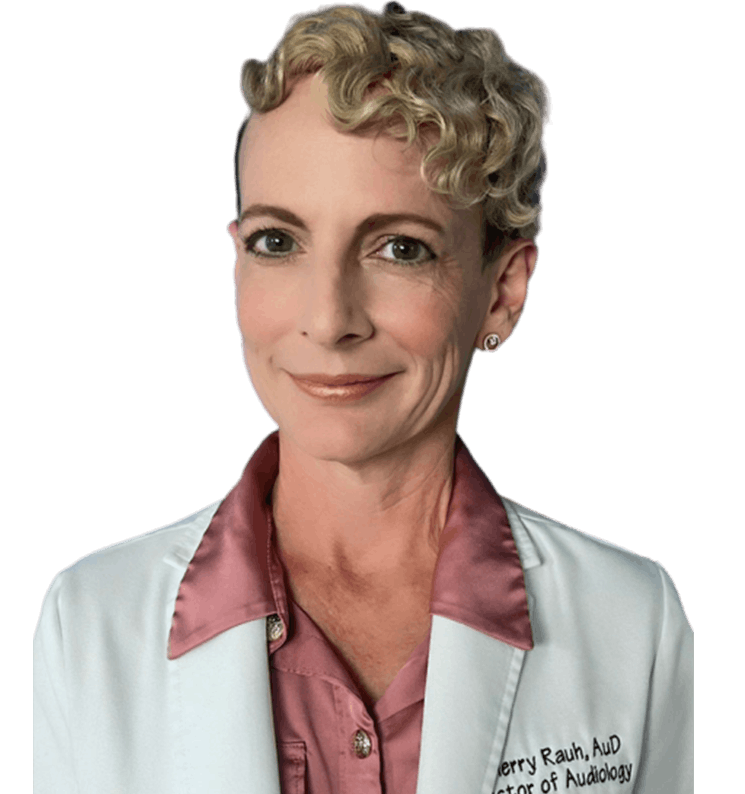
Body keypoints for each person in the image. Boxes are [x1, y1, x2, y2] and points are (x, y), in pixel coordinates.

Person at [33, 3, 693, 793]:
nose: (328, 319)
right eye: (280, 242)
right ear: (236, 264)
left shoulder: (631, 622)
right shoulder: (92, 621)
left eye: (399, 248)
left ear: (502, 292)